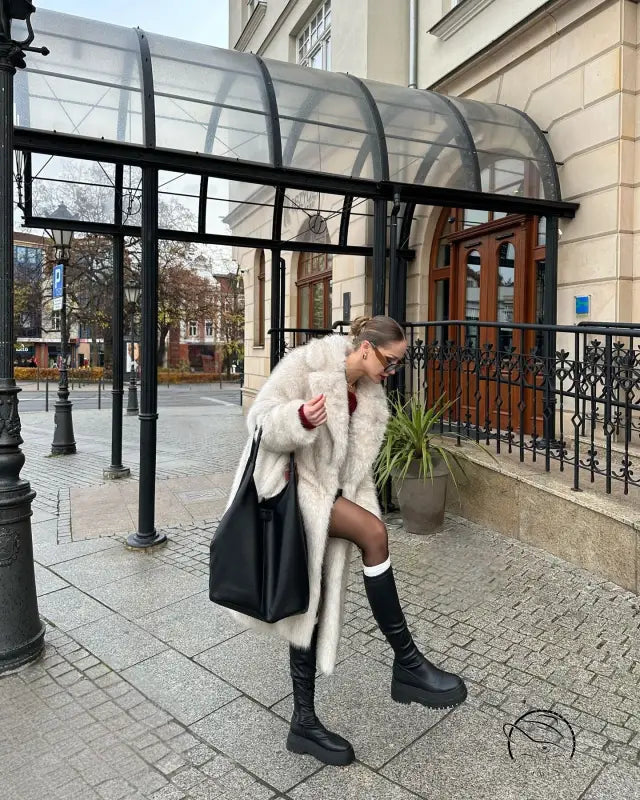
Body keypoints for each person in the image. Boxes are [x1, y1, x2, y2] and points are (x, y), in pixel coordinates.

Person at [220, 316, 467, 766]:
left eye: (397, 364)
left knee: (308, 605)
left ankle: (304, 722)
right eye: (390, 362)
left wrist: (360, 502)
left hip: (330, 499)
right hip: (293, 496)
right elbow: (259, 420)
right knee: (373, 535)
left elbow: (355, 473)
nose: (391, 371)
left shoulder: (370, 395)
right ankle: (407, 663)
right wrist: (298, 418)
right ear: (366, 348)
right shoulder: (308, 363)